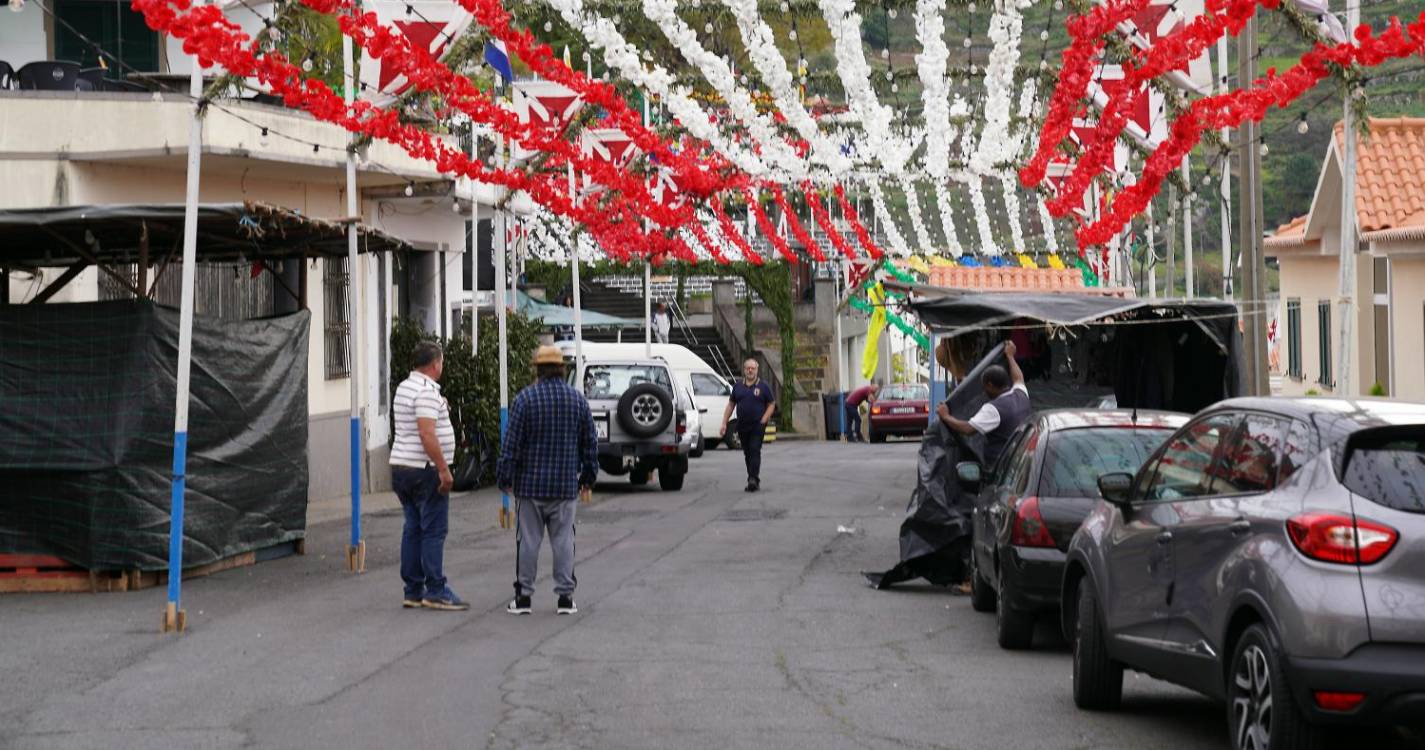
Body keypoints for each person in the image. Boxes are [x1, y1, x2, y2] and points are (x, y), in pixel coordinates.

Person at [497, 345, 598, 616]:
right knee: (564, 541)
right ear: (562, 369)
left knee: (528, 542)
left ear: (537, 369)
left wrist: (505, 477)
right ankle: (565, 598)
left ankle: (523, 598)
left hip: (529, 487)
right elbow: (590, 443)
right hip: (565, 486)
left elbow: (511, 445)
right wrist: (588, 477)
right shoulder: (577, 401)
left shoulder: (525, 400)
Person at [390, 342, 467, 611]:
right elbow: (426, 433)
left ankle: (412, 589)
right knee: (433, 529)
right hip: (424, 470)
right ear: (435, 365)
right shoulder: (425, 392)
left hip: (402, 466)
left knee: (413, 527)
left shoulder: (405, 387)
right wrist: (443, 469)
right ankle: (436, 589)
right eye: (442, 362)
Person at [936, 339, 1031, 469]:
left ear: (990, 385)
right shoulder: (1021, 393)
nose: (983, 391)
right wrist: (1010, 356)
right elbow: (1018, 377)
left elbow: (968, 429)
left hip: (1000, 467)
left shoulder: (993, 409)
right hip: (1021, 461)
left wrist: (946, 416)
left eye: (984, 386)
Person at [721, 358, 777, 492]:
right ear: (744, 370)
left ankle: (753, 479)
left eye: (753, 368)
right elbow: (731, 405)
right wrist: (724, 422)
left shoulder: (763, 386)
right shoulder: (738, 387)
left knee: (754, 449)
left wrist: (764, 419)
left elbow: (771, 404)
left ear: (757, 370)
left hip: (758, 425)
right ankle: (753, 477)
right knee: (747, 452)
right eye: (748, 368)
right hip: (742, 424)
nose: (750, 370)